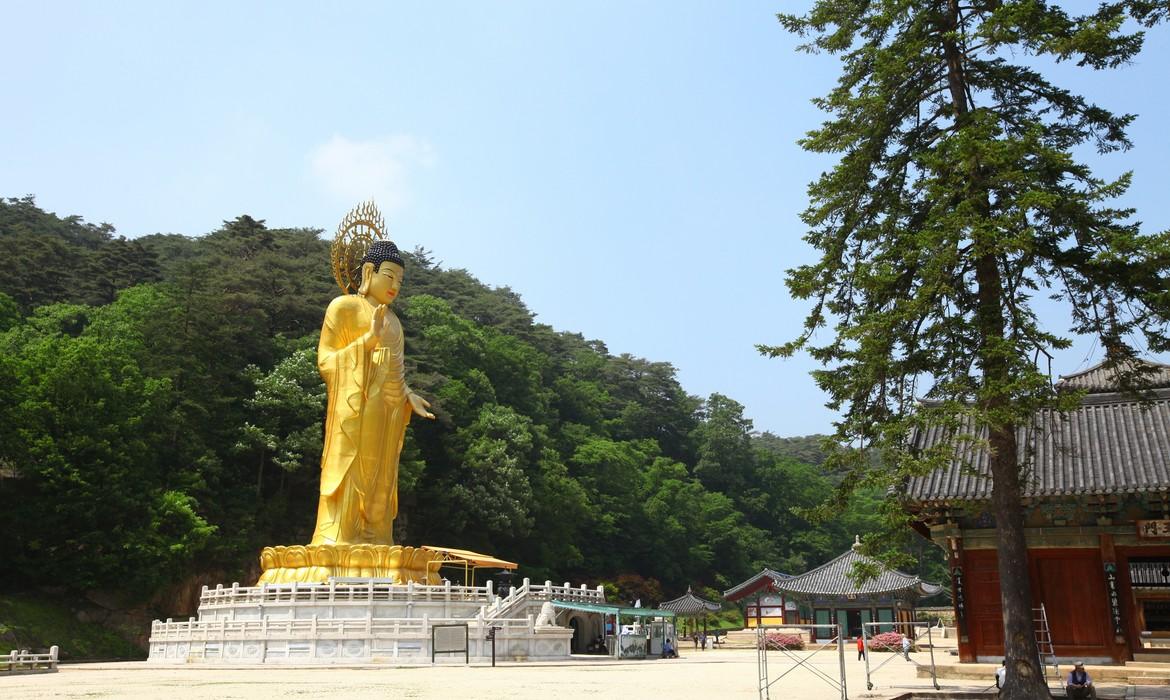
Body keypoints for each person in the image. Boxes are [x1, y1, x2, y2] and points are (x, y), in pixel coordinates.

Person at [311, 240, 435, 546]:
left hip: (387, 412)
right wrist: (368, 341)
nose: (395, 286)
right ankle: (338, 537)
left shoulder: (394, 322)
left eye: (401, 281)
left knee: (381, 476)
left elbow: (394, 371)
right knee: (353, 469)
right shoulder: (345, 307)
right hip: (355, 410)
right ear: (369, 272)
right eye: (389, 276)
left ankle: (375, 540)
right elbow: (327, 361)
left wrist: (407, 395)